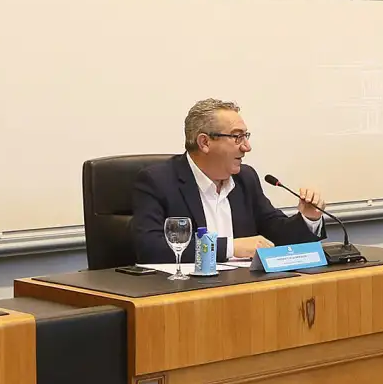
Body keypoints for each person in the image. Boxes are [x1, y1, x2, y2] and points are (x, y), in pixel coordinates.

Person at [130, 99, 326, 263]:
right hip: (186, 292)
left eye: (245, 136)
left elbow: (277, 233)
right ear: (205, 142)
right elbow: (150, 247)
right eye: (237, 137)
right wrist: (231, 248)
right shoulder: (158, 182)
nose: (247, 147)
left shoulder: (245, 179)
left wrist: (309, 218)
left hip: (244, 288)